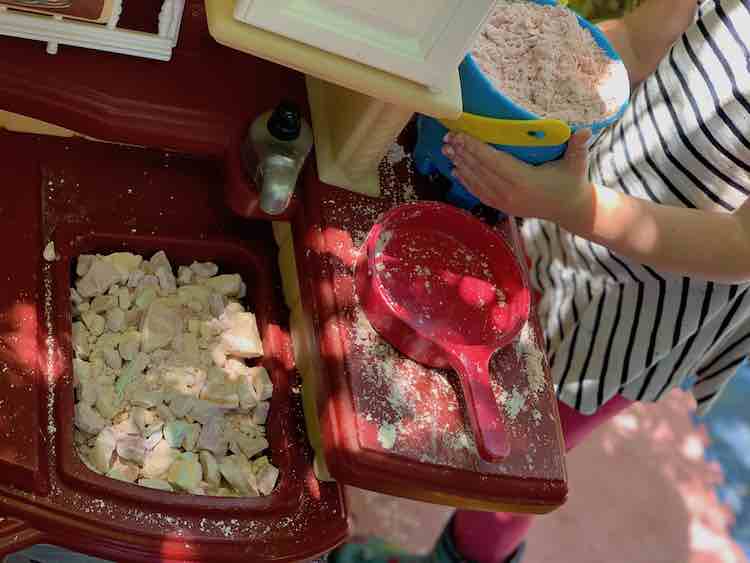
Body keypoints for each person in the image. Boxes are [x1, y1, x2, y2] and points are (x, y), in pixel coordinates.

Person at [330, 0, 750, 561]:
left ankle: (458, 557)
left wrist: (575, 206)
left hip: (645, 306)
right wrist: (520, 73)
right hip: (581, 200)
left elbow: (741, 247)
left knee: (526, 456)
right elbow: (640, 42)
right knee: (502, 356)